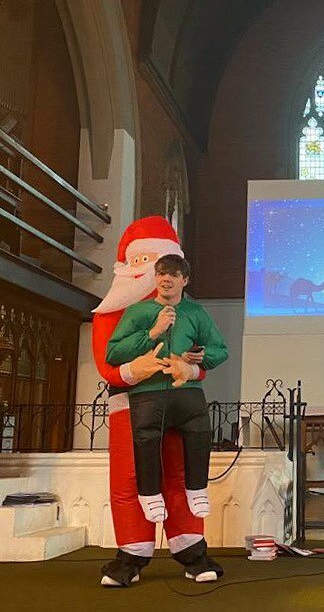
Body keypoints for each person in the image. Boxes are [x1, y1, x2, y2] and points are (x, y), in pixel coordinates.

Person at [92, 216, 222, 586]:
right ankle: (131, 556)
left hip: (178, 400)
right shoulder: (114, 311)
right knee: (130, 479)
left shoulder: (191, 311)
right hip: (129, 405)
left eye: (163, 264)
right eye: (144, 262)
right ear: (128, 266)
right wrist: (137, 367)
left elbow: (207, 354)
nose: (155, 273)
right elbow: (108, 362)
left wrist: (192, 369)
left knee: (180, 473)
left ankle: (192, 552)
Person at [107, 254, 228, 534]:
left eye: (173, 274)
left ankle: (197, 489)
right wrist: (152, 333)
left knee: (200, 433)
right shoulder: (137, 312)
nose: (166, 279)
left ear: (184, 280)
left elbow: (221, 350)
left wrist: (197, 359)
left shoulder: (196, 313)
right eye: (161, 273)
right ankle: (148, 494)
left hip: (187, 391)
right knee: (146, 440)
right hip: (147, 392)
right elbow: (113, 353)